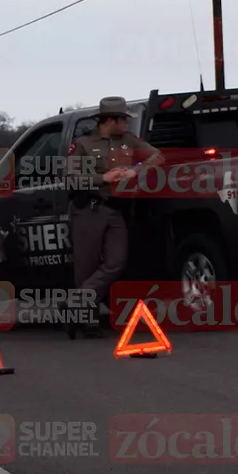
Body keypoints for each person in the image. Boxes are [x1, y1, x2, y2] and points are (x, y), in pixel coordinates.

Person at [63, 96, 163, 338]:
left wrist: (135, 170)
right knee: (85, 267)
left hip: (116, 209)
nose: (126, 124)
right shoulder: (84, 144)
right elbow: (69, 176)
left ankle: (75, 301)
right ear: (109, 120)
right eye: (122, 119)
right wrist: (102, 179)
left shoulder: (128, 140)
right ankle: (88, 320)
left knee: (117, 261)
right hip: (89, 209)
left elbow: (158, 157)